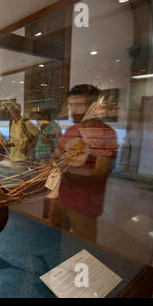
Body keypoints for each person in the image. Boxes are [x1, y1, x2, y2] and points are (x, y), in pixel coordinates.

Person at [49, 84, 118, 243]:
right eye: (71, 105)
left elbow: (101, 171)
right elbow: (56, 156)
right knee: (52, 240)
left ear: (93, 106)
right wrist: (54, 162)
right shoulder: (71, 130)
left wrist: (64, 170)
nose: (73, 110)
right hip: (60, 198)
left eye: (79, 105)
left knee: (86, 248)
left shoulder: (105, 132)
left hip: (84, 204)